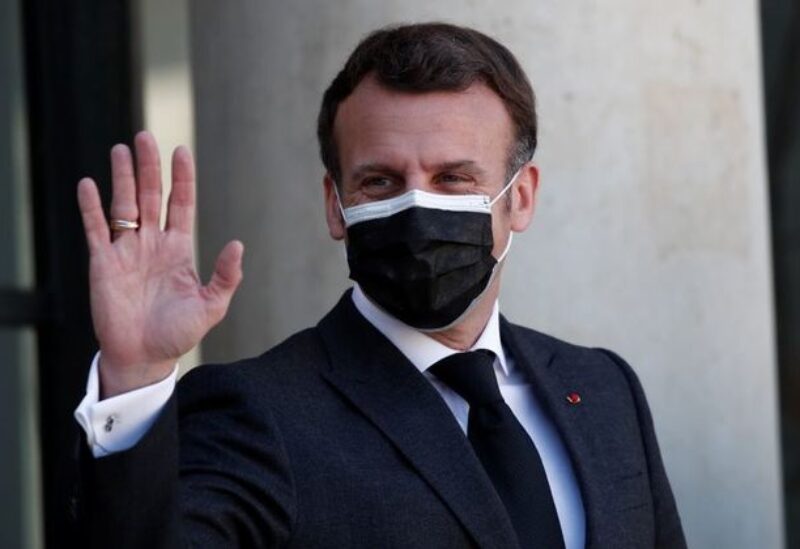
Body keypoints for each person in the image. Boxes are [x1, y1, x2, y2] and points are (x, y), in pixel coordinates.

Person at [72, 23, 686, 548]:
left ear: (519, 198)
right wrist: (135, 378)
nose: (417, 208)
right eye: (381, 183)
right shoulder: (260, 412)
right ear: (336, 207)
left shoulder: (605, 390)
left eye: (452, 178)